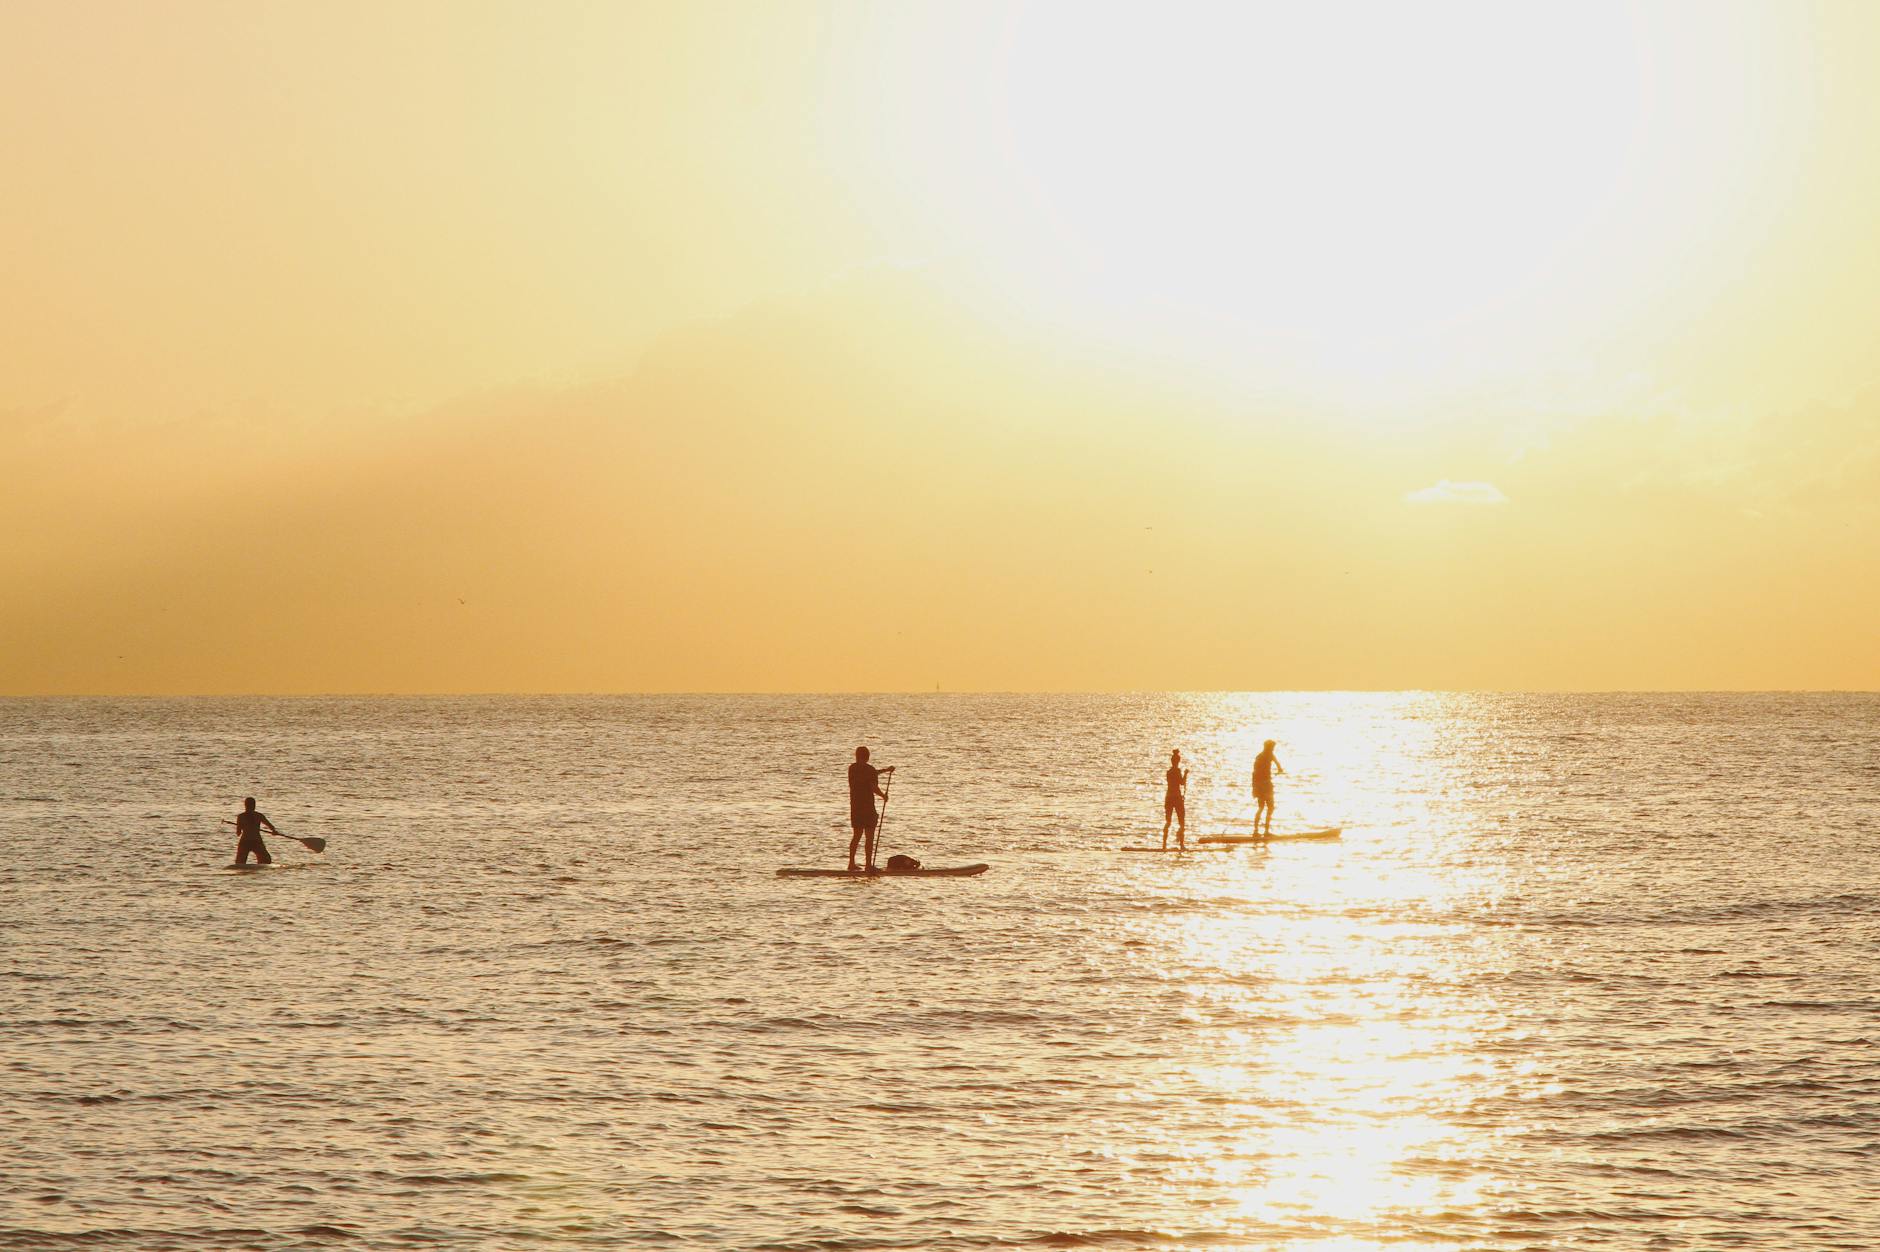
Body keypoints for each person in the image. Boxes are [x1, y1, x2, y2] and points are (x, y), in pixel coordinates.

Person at [847, 747, 894, 873]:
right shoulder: (870, 770)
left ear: (857, 756)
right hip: (867, 807)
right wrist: (883, 795)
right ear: (867, 756)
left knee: (856, 835)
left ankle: (851, 863)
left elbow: (870, 774)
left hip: (855, 807)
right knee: (869, 836)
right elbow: (873, 786)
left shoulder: (852, 768)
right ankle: (868, 865)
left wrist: (885, 770)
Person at [233, 796, 279, 866]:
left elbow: (238, 833)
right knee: (266, 860)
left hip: (245, 841)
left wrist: (243, 826)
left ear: (245, 805)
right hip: (256, 841)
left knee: (240, 863)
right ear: (254, 806)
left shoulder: (241, 816)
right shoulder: (259, 815)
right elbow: (271, 826)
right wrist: (274, 831)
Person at [1252, 740, 1284, 836]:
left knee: (1261, 807)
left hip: (1258, 786)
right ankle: (1266, 832)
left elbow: (1254, 774)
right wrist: (1279, 770)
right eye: (1272, 748)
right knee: (1270, 807)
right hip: (1266, 786)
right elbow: (1279, 766)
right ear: (1269, 747)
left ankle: (1256, 831)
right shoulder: (1270, 755)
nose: (1273, 749)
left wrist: (1254, 788)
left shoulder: (1259, 756)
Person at [1162, 749, 1189, 849]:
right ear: (1178, 761)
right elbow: (1181, 783)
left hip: (1168, 798)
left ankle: (1164, 844)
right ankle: (1182, 845)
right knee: (1181, 822)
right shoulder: (1177, 771)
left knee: (1168, 822)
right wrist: (1186, 774)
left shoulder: (1168, 772)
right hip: (1177, 798)